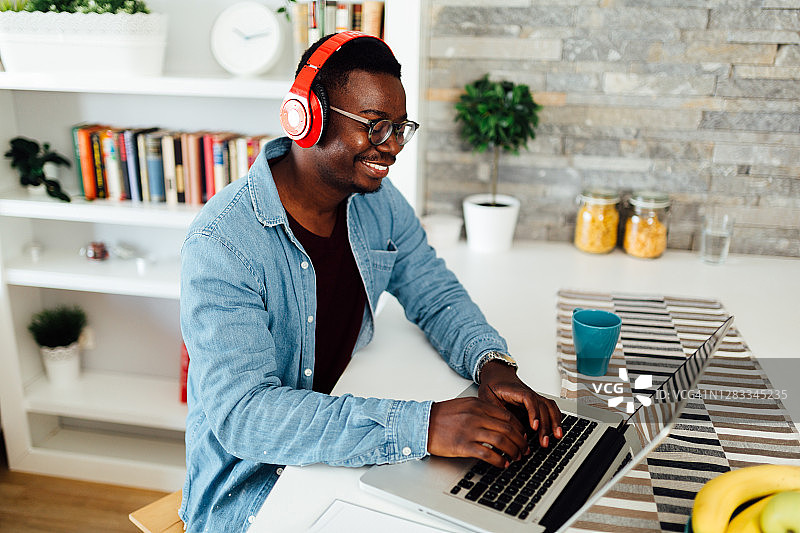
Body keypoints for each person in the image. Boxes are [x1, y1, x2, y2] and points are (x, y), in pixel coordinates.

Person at [179, 32, 562, 532]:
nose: (394, 147)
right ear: (306, 117)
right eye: (376, 125)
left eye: (400, 127)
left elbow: (434, 291)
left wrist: (492, 364)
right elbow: (246, 416)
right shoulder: (223, 243)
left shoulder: (377, 201)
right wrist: (424, 426)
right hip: (254, 489)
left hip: (344, 445)